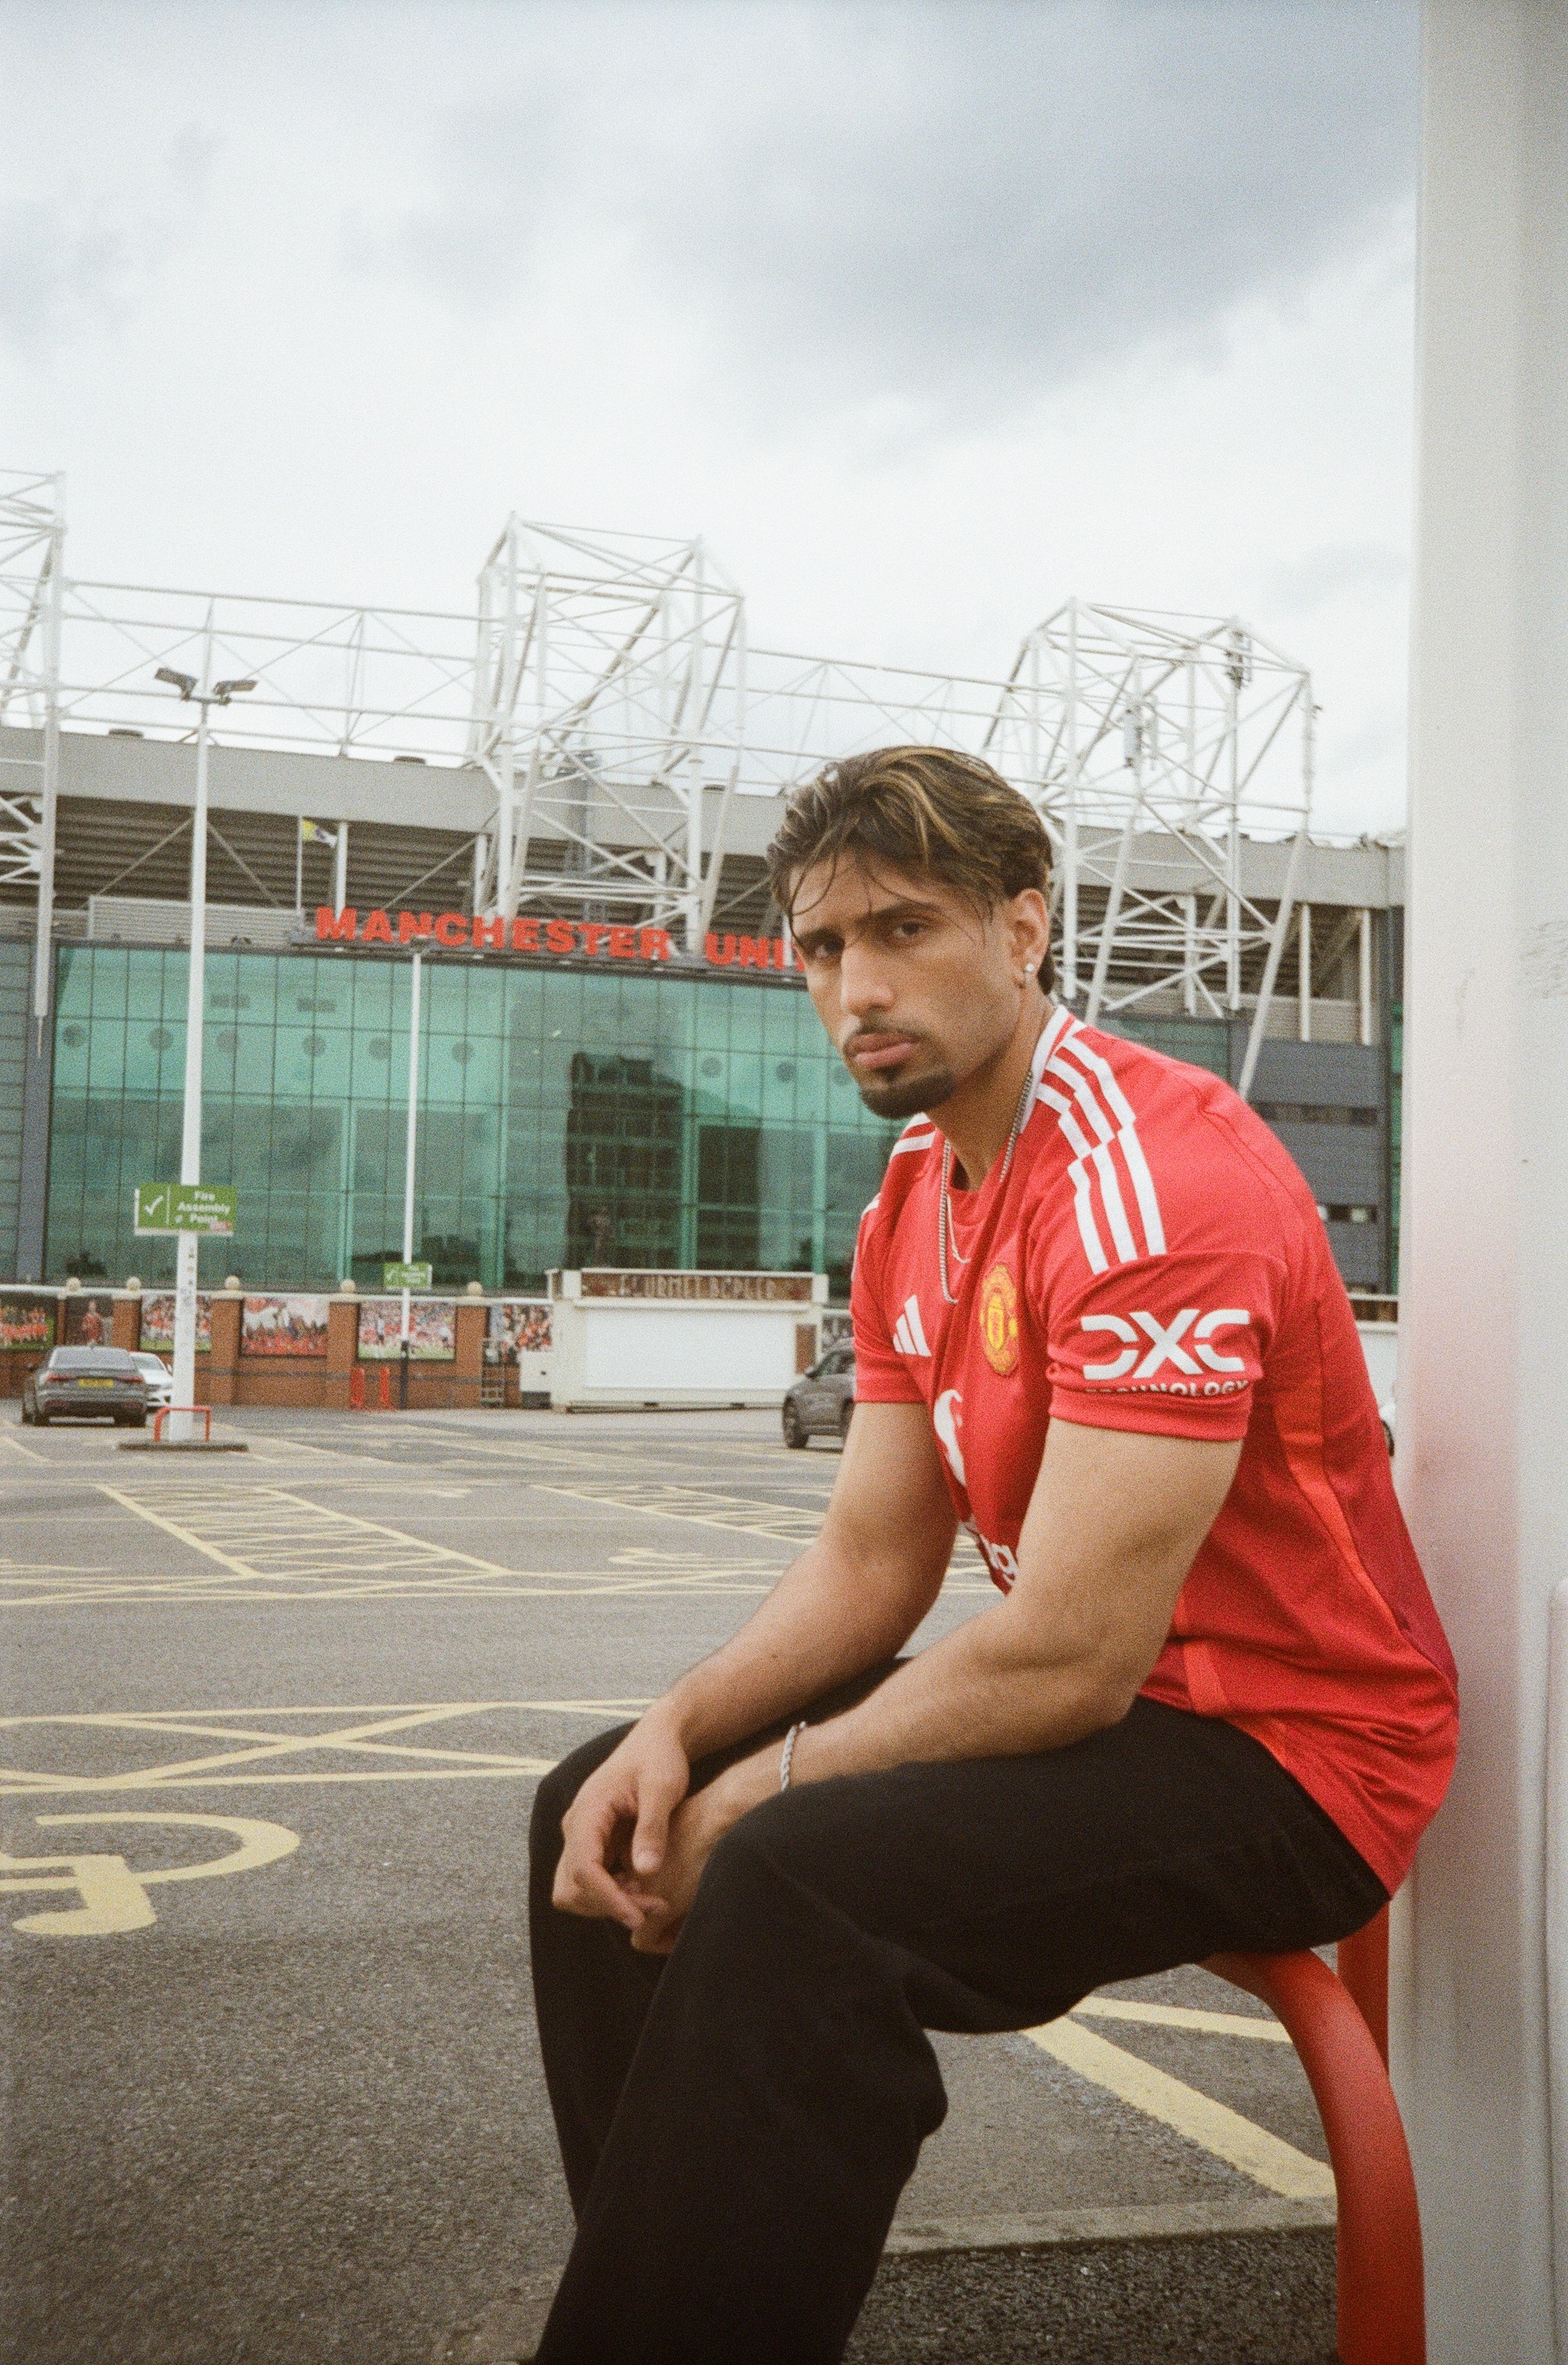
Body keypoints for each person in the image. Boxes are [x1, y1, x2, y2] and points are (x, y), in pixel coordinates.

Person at [526, 746, 1458, 2365]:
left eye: (905, 930)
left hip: (1295, 1751)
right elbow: (870, 1563)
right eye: (823, 948)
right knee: (605, 1807)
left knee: (788, 1872)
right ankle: (675, 2299)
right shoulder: (913, 1192)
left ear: (1025, 929)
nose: (858, 989)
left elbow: (1068, 1659)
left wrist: (766, 1788)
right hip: (1120, 1713)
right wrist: (679, 1733)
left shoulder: (1152, 1183)